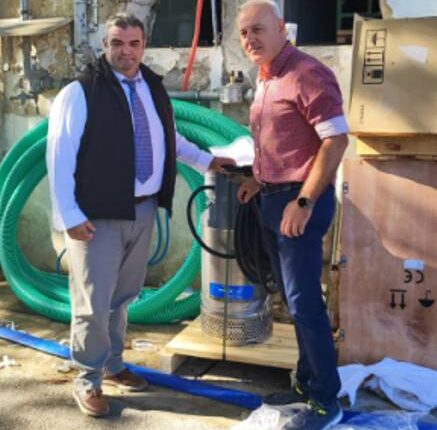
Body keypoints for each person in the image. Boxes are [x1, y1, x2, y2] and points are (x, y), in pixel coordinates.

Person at [46, 13, 234, 417]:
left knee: (122, 297)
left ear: (144, 45)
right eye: (117, 43)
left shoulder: (151, 86)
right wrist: (70, 215)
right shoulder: (81, 92)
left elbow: (169, 138)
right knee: (93, 302)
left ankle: (113, 364)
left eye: (133, 43)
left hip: (143, 209)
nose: (126, 52)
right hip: (97, 216)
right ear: (105, 45)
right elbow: (60, 156)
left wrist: (207, 161)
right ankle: (88, 379)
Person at [237, 1, 349, 429]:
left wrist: (303, 202)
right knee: (292, 299)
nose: (250, 39)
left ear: (281, 28)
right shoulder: (266, 77)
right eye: (244, 32)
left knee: (304, 304)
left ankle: (326, 401)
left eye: (258, 29)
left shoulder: (306, 73)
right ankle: (305, 384)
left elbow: (335, 141)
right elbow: (281, 143)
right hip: (271, 200)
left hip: (299, 204)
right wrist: (258, 180)